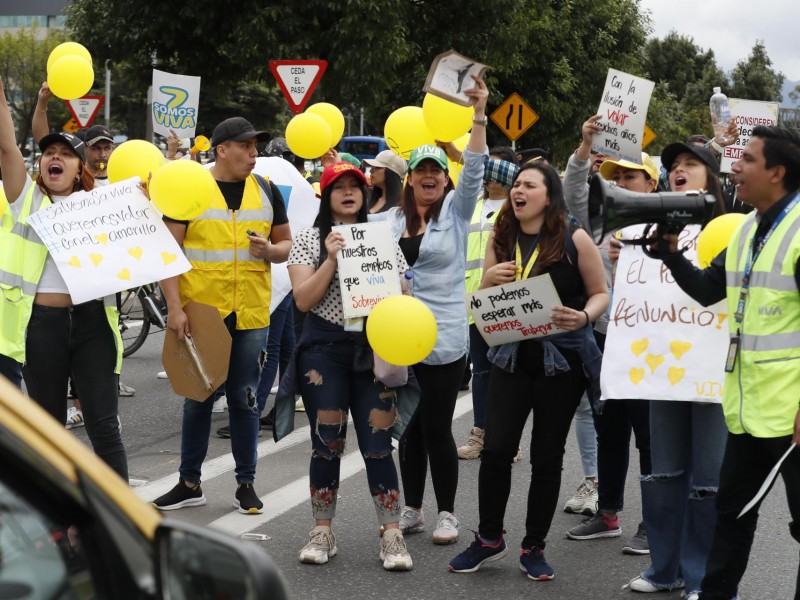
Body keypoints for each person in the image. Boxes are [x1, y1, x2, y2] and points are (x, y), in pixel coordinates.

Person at [652, 126, 800, 600]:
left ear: (777, 172)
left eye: (748, 160)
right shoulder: (746, 229)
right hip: (748, 411)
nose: (734, 168)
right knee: (730, 515)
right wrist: (673, 257)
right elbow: (709, 291)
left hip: (793, 415)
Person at [448, 161, 609, 580]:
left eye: (528, 185)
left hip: (562, 363)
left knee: (547, 456)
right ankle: (488, 539)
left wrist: (584, 317)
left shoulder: (574, 237)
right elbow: (484, 298)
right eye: (516, 184)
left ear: (548, 195)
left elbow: (600, 293)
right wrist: (489, 280)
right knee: (497, 449)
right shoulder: (502, 237)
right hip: (511, 358)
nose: (518, 191)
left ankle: (534, 545)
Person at [369, 75, 489, 545]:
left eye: (437, 171)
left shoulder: (456, 215)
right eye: (421, 170)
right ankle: (413, 509)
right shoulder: (391, 221)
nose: (429, 176)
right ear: (411, 177)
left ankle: (447, 513)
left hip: (444, 340)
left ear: (445, 178)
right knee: (409, 429)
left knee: (437, 427)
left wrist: (477, 116)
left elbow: (475, 168)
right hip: (398, 338)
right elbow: (353, 225)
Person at [152, 116, 292, 514]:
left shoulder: (265, 189)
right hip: (202, 314)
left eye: (255, 146)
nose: (253, 154)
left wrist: (270, 251)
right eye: (246, 146)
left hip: (250, 312)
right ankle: (189, 482)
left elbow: (286, 245)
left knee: (245, 398)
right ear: (222, 150)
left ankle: (245, 484)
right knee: (197, 398)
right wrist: (175, 308)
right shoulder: (191, 189)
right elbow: (168, 254)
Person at [284, 160, 414, 570]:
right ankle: (322, 530)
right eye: (337, 185)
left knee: (378, 445)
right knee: (327, 442)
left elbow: (404, 291)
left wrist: (401, 290)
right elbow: (303, 301)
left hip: (373, 348)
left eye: (355, 185)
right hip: (324, 350)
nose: (347, 191)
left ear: (365, 194)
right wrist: (332, 259)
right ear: (326, 195)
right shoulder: (308, 239)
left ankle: (391, 534)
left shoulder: (382, 239)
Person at [0, 76, 128, 480]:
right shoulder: (26, 198)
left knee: (104, 426)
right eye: (47, 153)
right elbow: (6, 146)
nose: (54, 157)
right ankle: (55, 521)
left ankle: (128, 523)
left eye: (65, 154)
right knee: (48, 429)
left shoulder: (103, 203)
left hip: (94, 326)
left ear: (80, 167)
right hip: (43, 328)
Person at [621, 140, 730, 598]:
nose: (679, 171)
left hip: (710, 372)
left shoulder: (731, 229)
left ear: (712, 176)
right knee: (664, 472)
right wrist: (619, 262)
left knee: (707, 480)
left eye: (690, 164)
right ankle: (664, 568)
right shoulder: (647, 228)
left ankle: (701, 576)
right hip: (663, 368)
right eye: (673, 167)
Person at [565, 137, 657, 555]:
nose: (620, 181)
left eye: (629, 176)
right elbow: (572, 189)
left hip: (650, 343)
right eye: (615, 176)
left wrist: (646, 255)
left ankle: (655, 521)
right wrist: (585, 147)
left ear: (651, 184)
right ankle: (608, 513)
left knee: (651, 436)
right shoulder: (602, 217)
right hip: (604, 338)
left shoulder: (672, 222)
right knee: (609, 427)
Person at [458, 145, 520, 461]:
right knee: (481, 373)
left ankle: (508, 439)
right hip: (473, 303)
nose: (489, 174)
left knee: (507, 374)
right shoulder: (471, 205)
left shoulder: (518, 208)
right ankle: (480, 434)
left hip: (509, 303)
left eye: (496, 168)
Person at [363, 149, 406, 214]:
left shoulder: (403, 206)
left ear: (391, 172)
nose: (371, 171)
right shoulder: (371, 198)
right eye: (372, 167)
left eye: (377, 167)